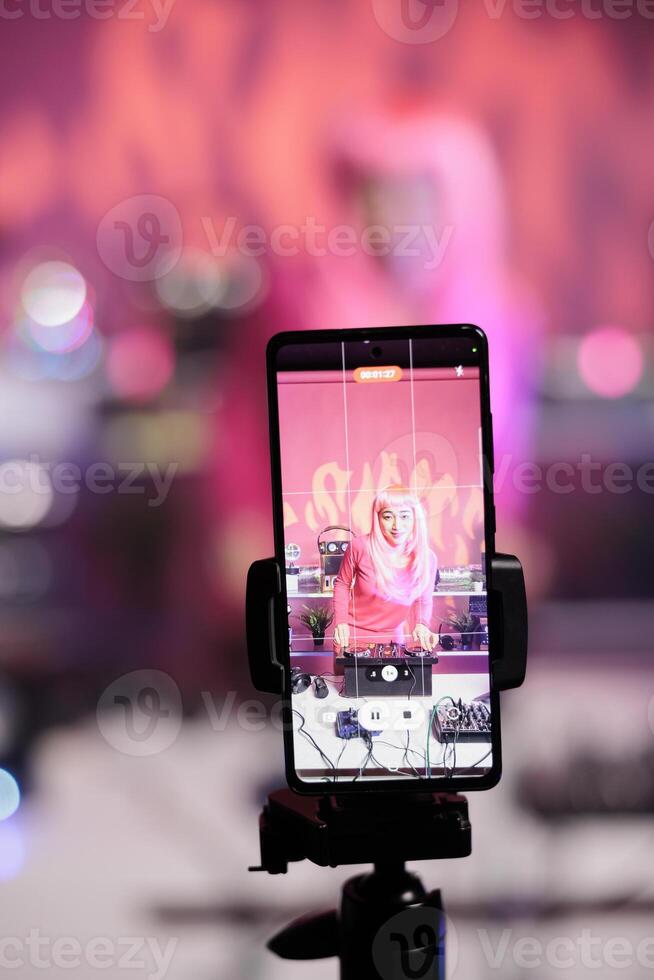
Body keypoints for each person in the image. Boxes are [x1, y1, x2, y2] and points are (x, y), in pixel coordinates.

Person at [333, 485, 438, 652]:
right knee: (349, 679)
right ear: (378, 518)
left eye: (404, 516)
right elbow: (342, 584)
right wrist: (341, 622)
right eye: (388, 517)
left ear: (415, 518)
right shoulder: (359, 547)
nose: (397, 525)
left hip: (393, 637)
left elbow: (423, 599)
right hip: (352, 635)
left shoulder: (427, 558)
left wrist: (422, 624)